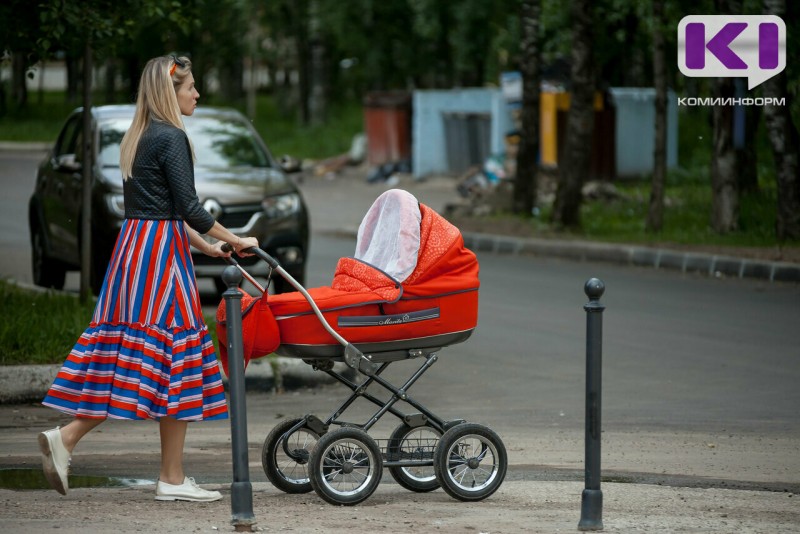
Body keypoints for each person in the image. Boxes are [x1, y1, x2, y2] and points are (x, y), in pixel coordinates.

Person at [38, 54, 258, 502]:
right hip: (161, 261)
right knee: (175, 357)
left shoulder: (139, 135)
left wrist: (207, 247)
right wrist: (236, 239)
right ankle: (99, 449)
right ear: (170, 92)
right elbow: (191, 208)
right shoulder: (172, 137)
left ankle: (149, 469)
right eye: (191, 87)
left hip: (137, 250)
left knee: (143, 357)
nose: (197, 94)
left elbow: (162, 210)